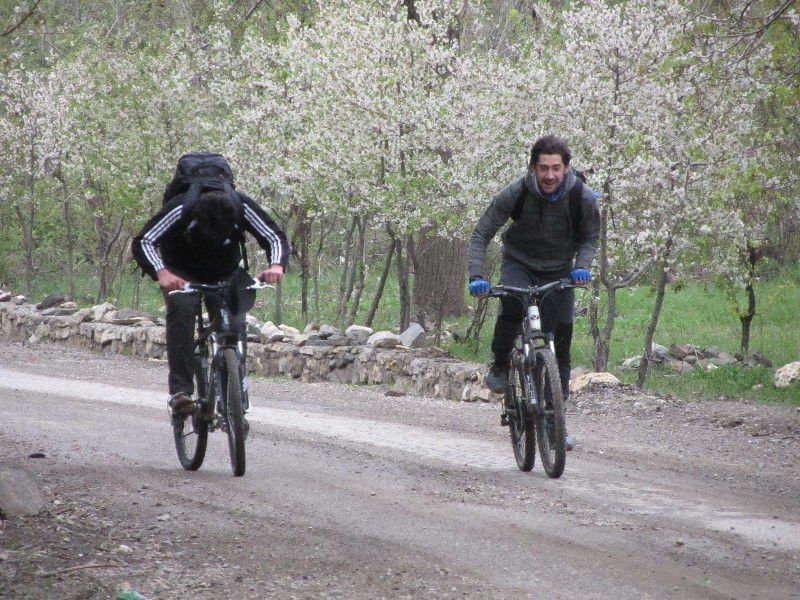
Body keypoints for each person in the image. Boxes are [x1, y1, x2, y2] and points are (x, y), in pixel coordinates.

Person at [467, 135, 600, 450]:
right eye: (544, 168)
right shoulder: (517, 193)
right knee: (512, 306)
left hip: (559, 270)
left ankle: (556, 420)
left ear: (566, 168)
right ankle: (501, 364)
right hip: (520, 263)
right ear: (533, 168)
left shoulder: (581, 196)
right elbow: (482, 232)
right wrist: (476, 276)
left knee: (561, 340)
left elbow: (590, 236)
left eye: (556, 168)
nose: (550, 175)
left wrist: (582, 266)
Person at [132, 171, 289, 417]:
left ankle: (236, 394)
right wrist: (161, 272)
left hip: (225, 271)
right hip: (181, 272)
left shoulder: (240, 205)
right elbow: (144, 241)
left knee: (234, 326)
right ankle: (181, 392)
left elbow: (273, 236)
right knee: (182, 313)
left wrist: (277, 265)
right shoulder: (180, 208)